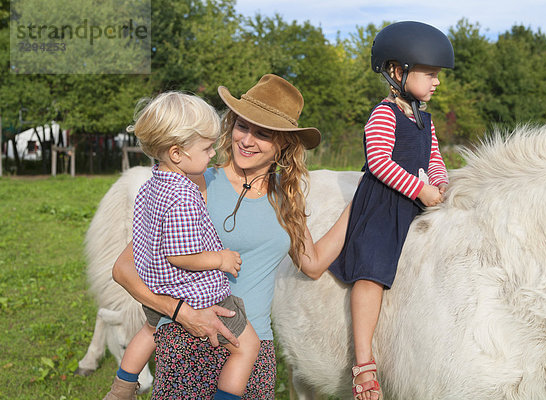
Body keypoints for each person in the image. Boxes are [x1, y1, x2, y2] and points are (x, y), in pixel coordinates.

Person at [111, 74, 351, 399]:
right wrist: (183, 313)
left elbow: (312, 263)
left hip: (254, 349)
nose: (247, 140)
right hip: (190, 341)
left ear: (283, 143)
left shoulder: (287, 198)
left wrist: (357, 206)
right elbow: (125, 269)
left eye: (262, 133)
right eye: (242, 126)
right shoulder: (195, 184)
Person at [104, 92, 260, 400]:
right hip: (193, 292)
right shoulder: (184, 195)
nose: (213, 153)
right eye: (206, 147)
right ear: (177, 153)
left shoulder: (151, 184)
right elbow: (181, 255)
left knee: (149, 332)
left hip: (155, 285)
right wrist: (221, 259)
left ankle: (121, 388)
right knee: (247, 348)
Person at [328, 21, 455, 400]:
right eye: (429, 74)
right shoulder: (384, 114)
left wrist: (440, 183)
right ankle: (364, 361)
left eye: (437, 76)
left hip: (414, 201)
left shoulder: (423, 118)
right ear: (398, 72)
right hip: (384, 204)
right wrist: (420, 188)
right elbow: (380, 162)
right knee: (372, 272)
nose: (436, 83)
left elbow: (434, 157)